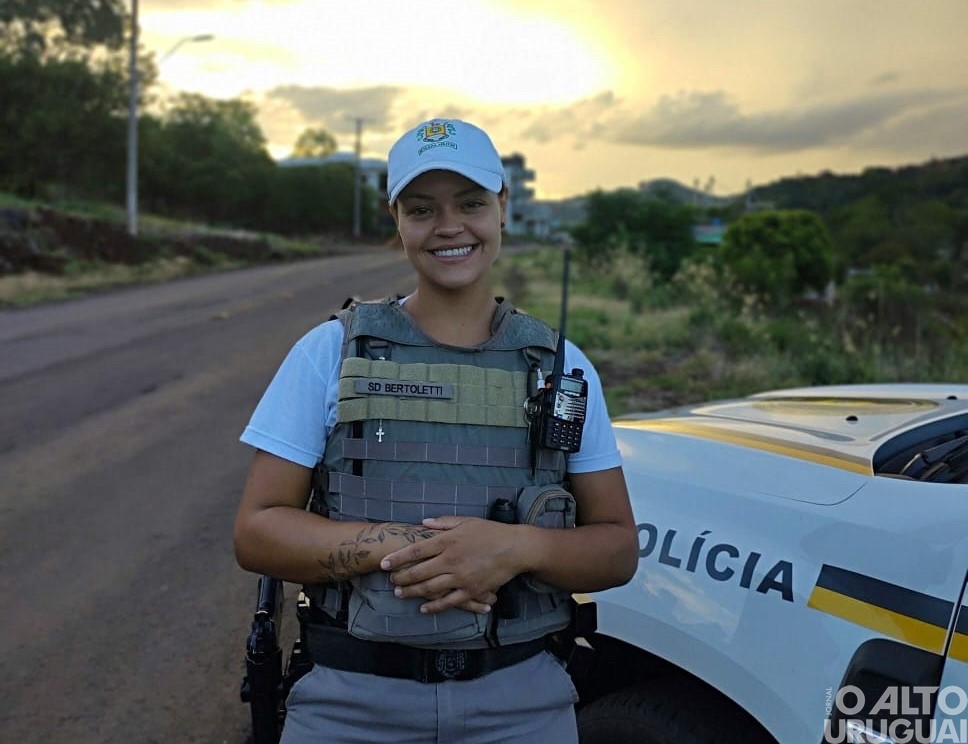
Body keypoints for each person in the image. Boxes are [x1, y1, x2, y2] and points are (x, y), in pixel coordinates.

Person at [234, 118, 638, 744]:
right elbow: (257, 532)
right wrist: (408, 547)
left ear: (503, 206)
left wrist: (512, 550)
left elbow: (616, 548)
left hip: (520, 703)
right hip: (351, 702)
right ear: (395, 217)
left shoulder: (561, 366)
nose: (449, 226)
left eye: (471, 203)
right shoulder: (331, 352)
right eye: (422, 209)